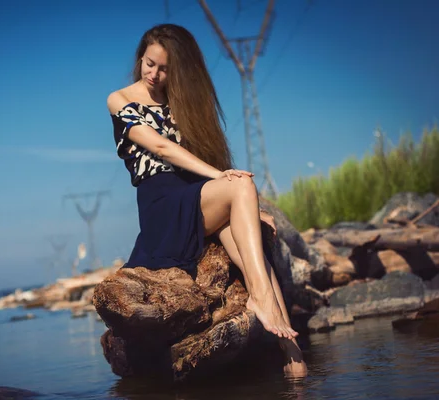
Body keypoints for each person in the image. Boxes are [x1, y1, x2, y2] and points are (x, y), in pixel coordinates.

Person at [107, 24, 307, 378]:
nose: (154, 74)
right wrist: (222, 178)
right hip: (161, 207)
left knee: (253, 250)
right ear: (140, 57)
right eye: (149, 64)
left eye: (164, 68)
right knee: (240, 183)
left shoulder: (179, 103)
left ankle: (293, 358)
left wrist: (247, 206)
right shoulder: (120, 99)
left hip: (195, 197)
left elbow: (200, 163)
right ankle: (263, 301)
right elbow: (160, 147)